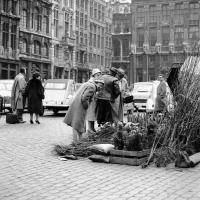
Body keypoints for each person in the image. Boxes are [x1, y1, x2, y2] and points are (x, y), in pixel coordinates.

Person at [63, 79, 104, 144]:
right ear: (97, 84)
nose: (101, 88)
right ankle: (76, 142)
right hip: (80, 106)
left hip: (76, 104)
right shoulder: (92, 87)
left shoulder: (88, 84)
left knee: (76, 124)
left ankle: (78, 141)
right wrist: (86, 106)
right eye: (101, 86)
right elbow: (85, 97)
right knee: (77, 125)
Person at [86, 68, 102, 133]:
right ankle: (90, 129)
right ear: (94, 75)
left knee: (93, 115)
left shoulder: (95, 81)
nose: (99, 76)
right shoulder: (91, 82)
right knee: (90, 114)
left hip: (94, 100)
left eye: (99, 75)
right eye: (97, 75)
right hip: (91, 101)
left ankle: (92, 128)